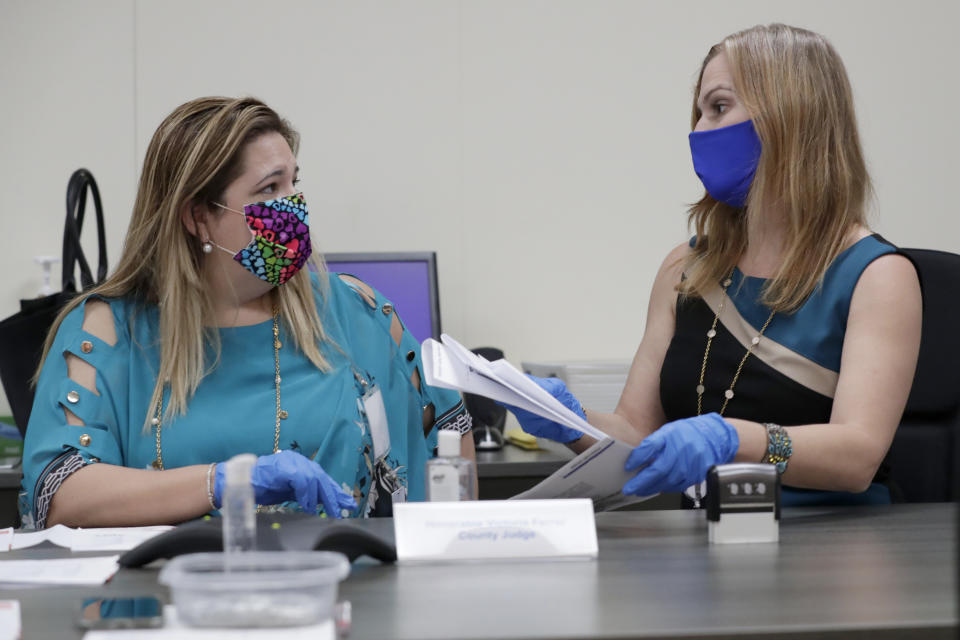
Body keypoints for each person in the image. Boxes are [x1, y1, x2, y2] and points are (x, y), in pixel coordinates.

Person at [508, 23, 922, 506]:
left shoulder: (876, 275)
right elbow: (636, 436)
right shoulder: (685, 269)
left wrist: (732, 439)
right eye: (699, 111)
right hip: (705, 548)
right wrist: (569, 419)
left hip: (829, 555)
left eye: (719, 107)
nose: (699, 129)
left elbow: (857, 457)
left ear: (791, 115)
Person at [19, 97, 473, 529]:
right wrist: (224, 482)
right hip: (169, 601)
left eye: (294, 183)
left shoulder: (355, 312)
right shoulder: (107, 332)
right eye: (270, 188)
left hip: (338, 595)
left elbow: (451, 442)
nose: (293, 205)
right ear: (198, 217)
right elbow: (60, 491)